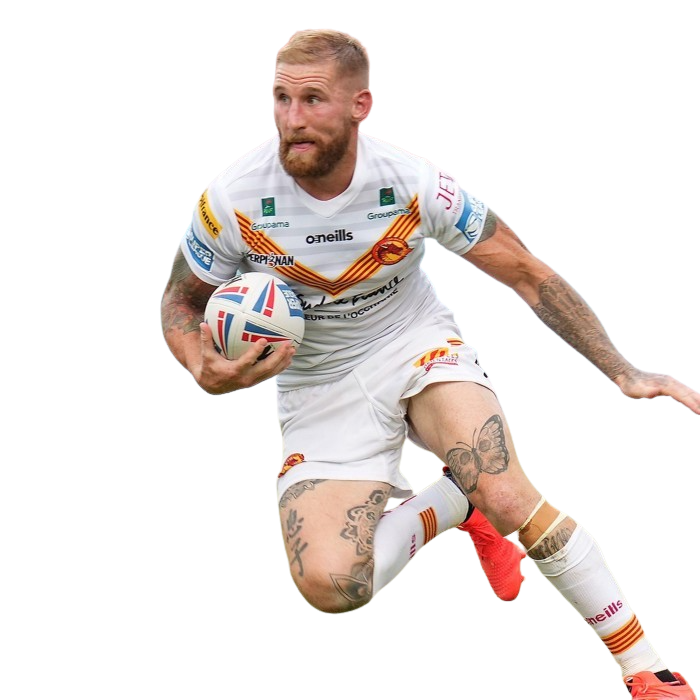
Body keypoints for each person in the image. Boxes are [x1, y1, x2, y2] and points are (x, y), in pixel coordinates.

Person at [160, 27, 699, 698]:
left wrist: (622, 369)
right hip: (315, 385)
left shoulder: (414, 184)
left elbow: (526, 272)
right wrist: (199, 364)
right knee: (333, 588)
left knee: (507, 493)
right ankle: (452, 503)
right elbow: (180, 301)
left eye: (313, 99)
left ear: (361, 105)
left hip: (412, 344)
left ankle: (647, 669)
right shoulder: (231, 199)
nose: (291, 119)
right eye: (280, 98)